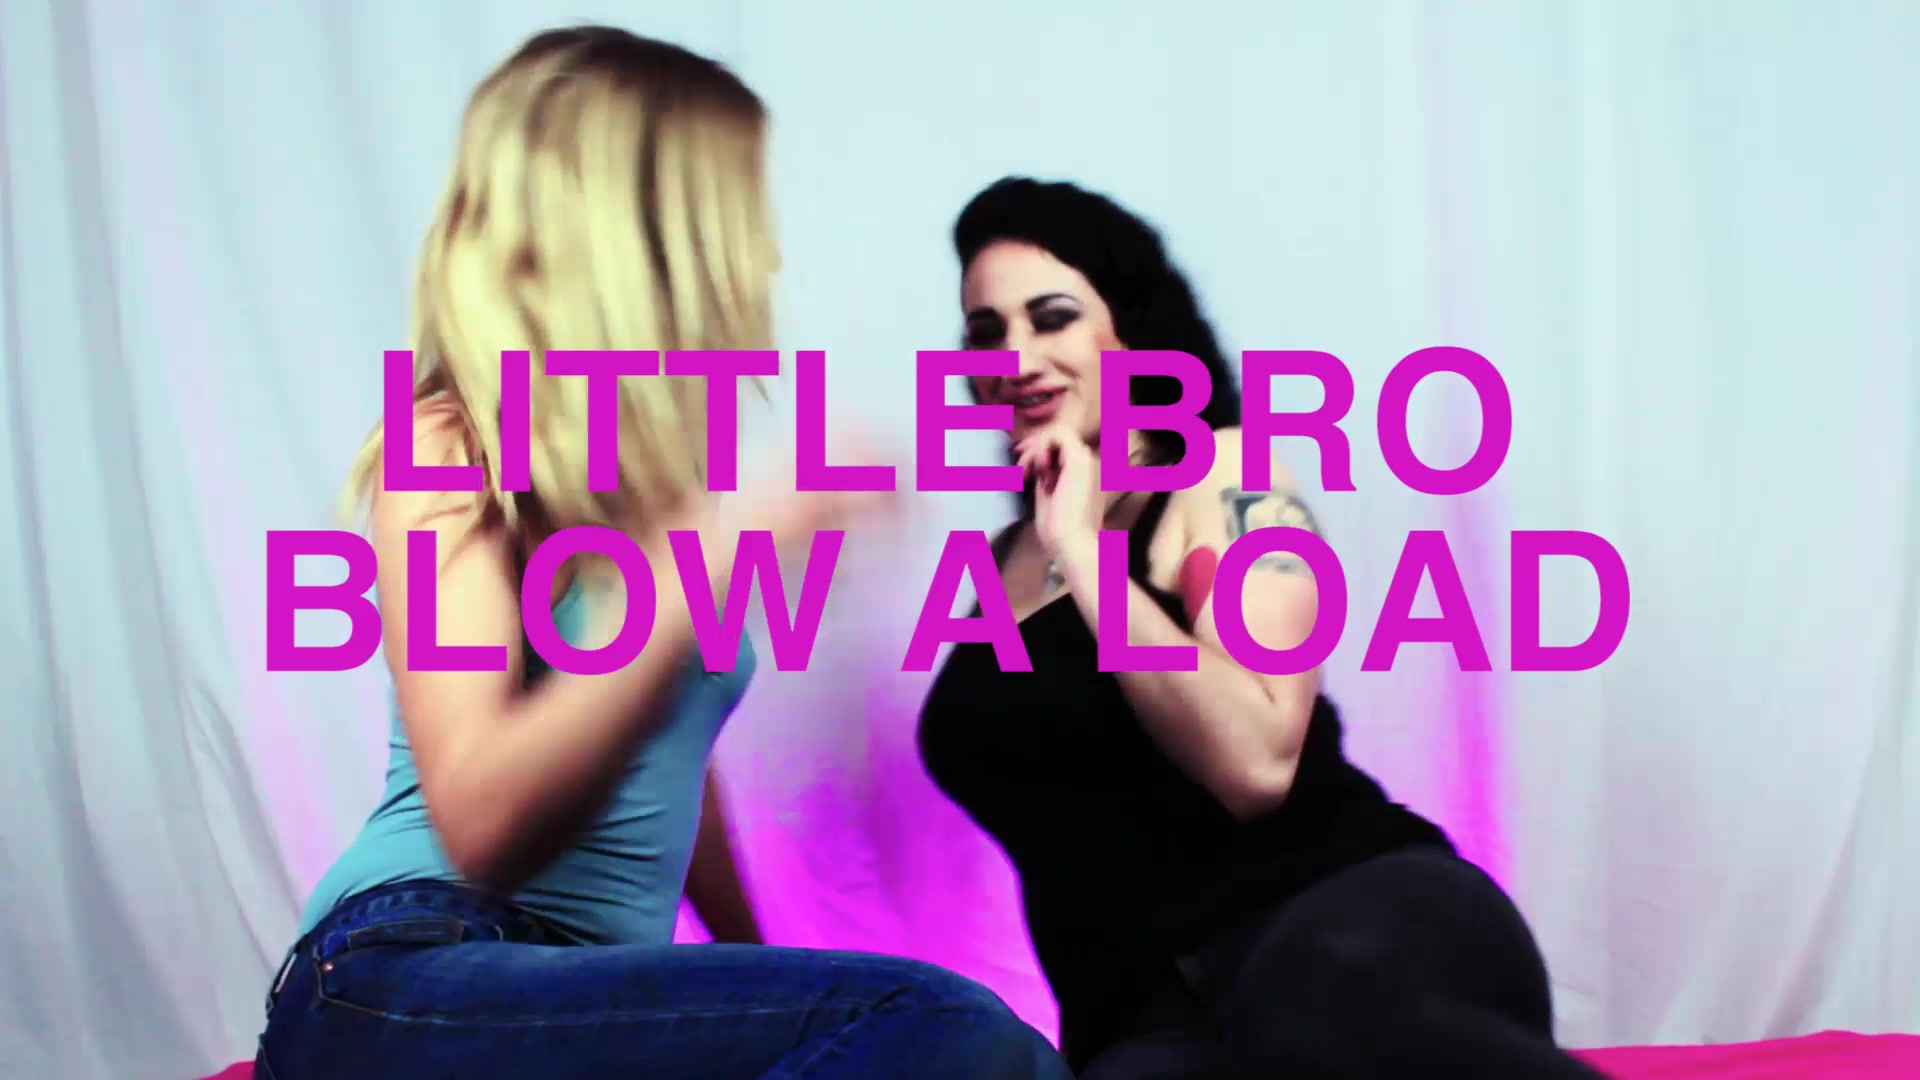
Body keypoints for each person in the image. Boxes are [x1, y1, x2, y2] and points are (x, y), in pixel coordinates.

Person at [255, 31, 1071, 1080]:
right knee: (950, 1023)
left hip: (579, 991)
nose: (766, 260)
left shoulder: (660, 492)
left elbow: (662, 764)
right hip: (405, 972)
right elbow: (481, 821)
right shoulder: (453, 446)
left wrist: (778, 987)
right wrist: (729, 546)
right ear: (653, 235)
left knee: (1011, 1058)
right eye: (741, 220)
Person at [917, 177, 1604, 1080]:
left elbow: (1256, 764)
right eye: (986, 331)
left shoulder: (1225, 476)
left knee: (1318, 1027)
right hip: (1150, 1020)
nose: (1015, 355)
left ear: (1132, 329)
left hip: (1347, 917)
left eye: (1052, 318)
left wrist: (1086, 556)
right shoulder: (1000, 563)